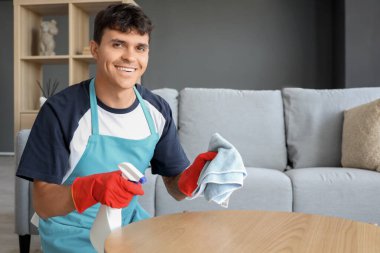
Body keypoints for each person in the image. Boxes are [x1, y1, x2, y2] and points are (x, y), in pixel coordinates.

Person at [16, 3, 216, 252]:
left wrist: (192, 178)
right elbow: (43, 203)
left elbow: (175, 189)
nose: (130, 57)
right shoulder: (62, 111)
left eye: (140, 48)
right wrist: (92, 189)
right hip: (72, 234)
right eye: (118, 44)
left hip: (129, 226)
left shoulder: (157, 110)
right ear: (95, 49)